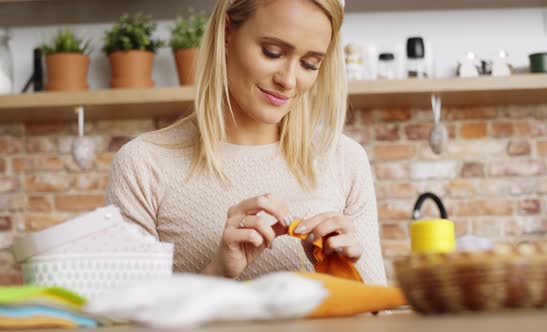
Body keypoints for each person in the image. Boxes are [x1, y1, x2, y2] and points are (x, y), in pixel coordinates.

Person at [106, 0, 387, 285]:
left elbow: (381, 315)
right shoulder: (142, 163)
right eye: (272, 52)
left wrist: (340, 271)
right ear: (227, 33)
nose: (289, 81)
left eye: (309, 64)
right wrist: (218, 272)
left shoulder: (345, 159)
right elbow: (122, 321)